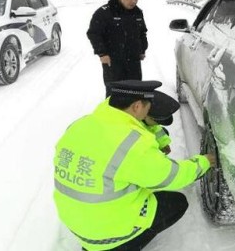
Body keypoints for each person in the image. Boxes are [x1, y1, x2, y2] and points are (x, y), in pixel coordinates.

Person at [53, 80, 215, 251]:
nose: (148, 112)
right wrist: (203, 162)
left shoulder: (81, 124)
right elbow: (172, 176)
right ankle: (121, 246)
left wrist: (159, 139)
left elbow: (141, 126)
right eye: (148, 108)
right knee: (177, 203)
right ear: (137, 106)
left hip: (76, 223)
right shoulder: (133, 144)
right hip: (106, 235)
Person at [87, 0, 149, 97]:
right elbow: (94, 33)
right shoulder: (105, 12)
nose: (133, 1)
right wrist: (102, 53)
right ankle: (112, 113)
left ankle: (132, 114)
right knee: (114, 92)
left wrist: (142, 49)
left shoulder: (137, 12)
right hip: (113, 60)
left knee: (135, 90)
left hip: (133, 60)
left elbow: (142, 32)